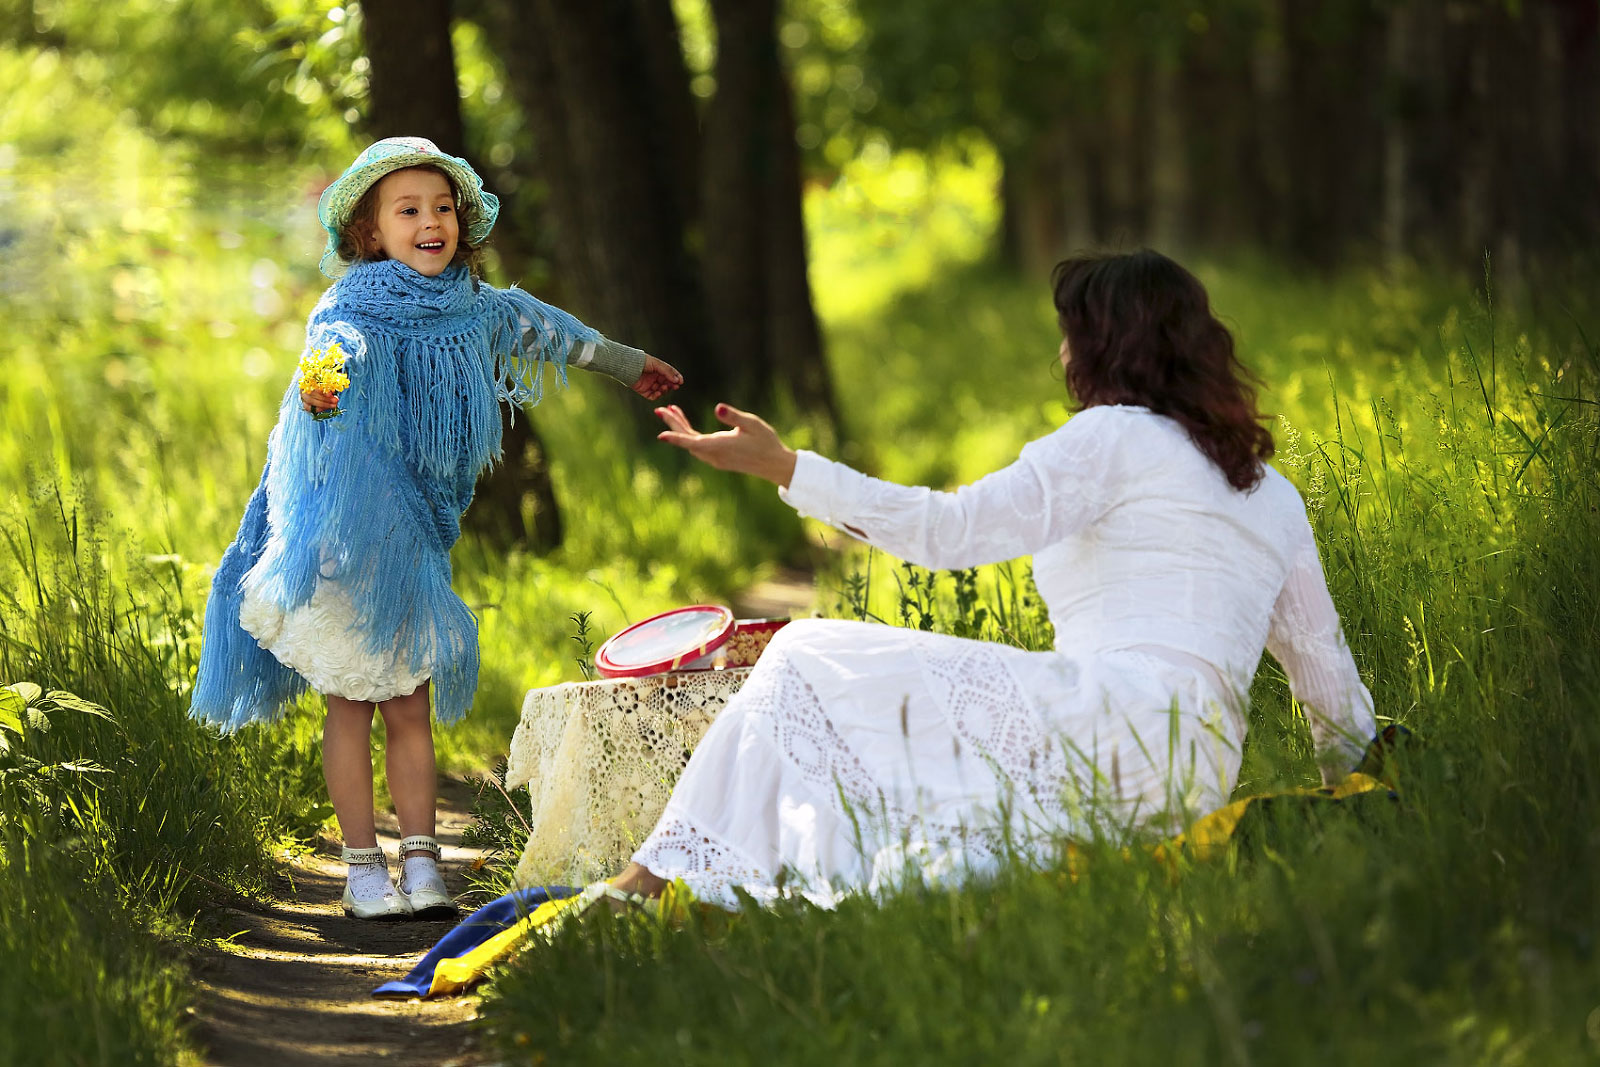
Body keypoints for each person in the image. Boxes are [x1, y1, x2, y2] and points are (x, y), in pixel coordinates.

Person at [603, 249, 1375, 909]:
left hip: (1110, 723)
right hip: (1193, 772)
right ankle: (697, 870)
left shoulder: (1112, 436)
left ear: (1109, 346)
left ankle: (653, 877)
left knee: (806, 653)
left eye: (1073, 336)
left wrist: (787, 466)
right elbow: (1329, 683)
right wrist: (1364, 801)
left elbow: (949, 530)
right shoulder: (1270, 491)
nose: (1065, 355)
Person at [189, 137, 682, 921]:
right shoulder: (350, 308)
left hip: (415, 540)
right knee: (350, 703)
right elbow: (328, 359)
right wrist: (325, 386)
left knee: (409, 705)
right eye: (409, 210)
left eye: (443, 208)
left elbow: (550, 331)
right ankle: (361, 869)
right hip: (344, 538)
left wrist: (630, 364)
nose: (431, 222)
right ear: (370, 233)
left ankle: (421, 861)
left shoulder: (476, 309)